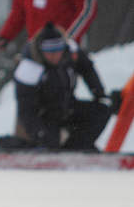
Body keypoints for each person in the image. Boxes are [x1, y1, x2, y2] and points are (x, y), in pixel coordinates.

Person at [7, 22, 111, 151]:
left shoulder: (72, 53)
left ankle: (75, 150)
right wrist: (39, 133)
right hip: (43, 116)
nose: (55, 55)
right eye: (50, 52)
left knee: (101, 112)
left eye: (58, 51)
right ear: (42, 51)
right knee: (47, 142)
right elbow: (26, 110)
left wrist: (99, 92)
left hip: (67, 107)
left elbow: (87, 67)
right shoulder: (29, 68)